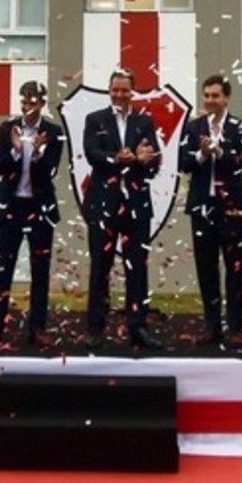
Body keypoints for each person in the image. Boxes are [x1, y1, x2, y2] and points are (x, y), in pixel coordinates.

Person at [82, 70, 161, 347]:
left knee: (137, 267)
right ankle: (96, 327)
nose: (119, 95)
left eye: (124, 90)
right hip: (104, 203)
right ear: (109, 90)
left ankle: (137, 326)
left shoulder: (144, 121)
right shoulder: (95, 120)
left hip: (136, 205)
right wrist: (118, 158)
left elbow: (154, 158)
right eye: (115, 90)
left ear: (132, 92)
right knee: (100, 267)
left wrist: (141, 159)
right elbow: (92, 153)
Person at [178, 74, 242, 345]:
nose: (211, 100)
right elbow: (184, 163)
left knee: (235, 268)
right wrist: (202, 154)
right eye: (207, 95)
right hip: (202, 207)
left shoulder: (241, 128)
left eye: (216, 96)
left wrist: (220, 152)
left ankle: (235, 326)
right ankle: (212, 326)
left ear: (226, 98)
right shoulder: (194, 126)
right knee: (206, 268)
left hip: (231, 208)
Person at [0, 82, 63, 344]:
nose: (27, 106)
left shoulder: (53, 132)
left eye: (33, 102)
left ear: (42, 103)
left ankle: (37, 328)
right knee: (4, 267)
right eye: (24, 101)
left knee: (40, 269)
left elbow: (51, 170)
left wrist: (37, 155)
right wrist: (17, 149)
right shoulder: (7, 128)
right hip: (12, 205)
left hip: (39, 206)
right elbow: (0, 165)